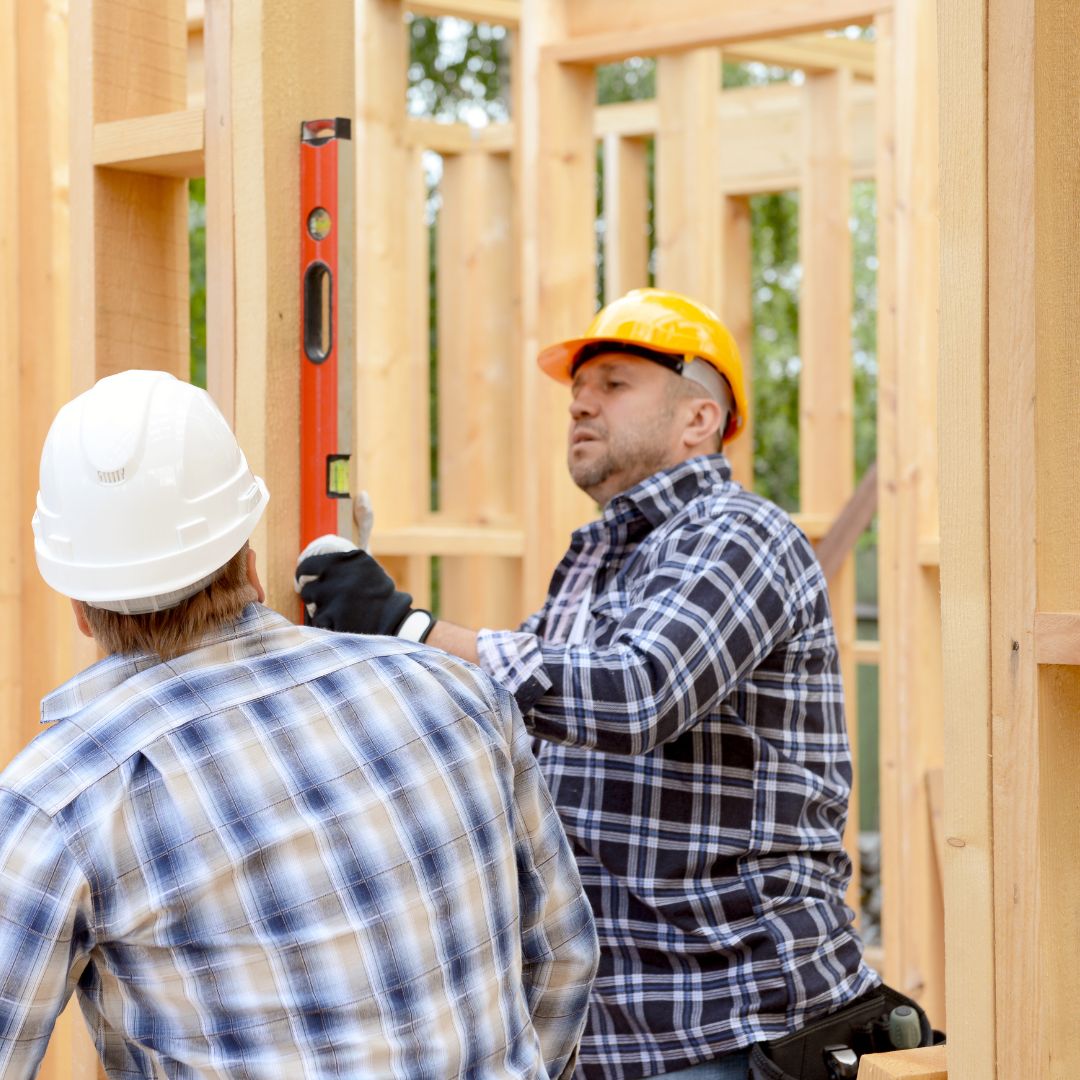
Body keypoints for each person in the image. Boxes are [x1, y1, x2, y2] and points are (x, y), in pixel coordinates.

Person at [297, 288, 880, 1080]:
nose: (581, 404)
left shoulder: (741, 535)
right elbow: (505, 714)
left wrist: (408, 626)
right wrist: (373, 653)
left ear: (698, 419)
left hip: (733, 1024)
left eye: (613, 383)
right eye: (578, 390)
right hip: (611, 1032)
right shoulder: (599, 563)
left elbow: (639, 692)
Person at [1, 369, 598, 1078]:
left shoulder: (62, 799)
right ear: (250, 562)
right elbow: (565, 957)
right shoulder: (459, 694)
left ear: (78, 602)